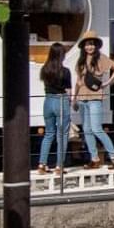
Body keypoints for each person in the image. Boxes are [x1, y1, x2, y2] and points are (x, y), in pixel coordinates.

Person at [74, 35, 114, 169]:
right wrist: (74, 98)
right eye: (87, 44)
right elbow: (78, 81)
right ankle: (94, 159)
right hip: (82, 98)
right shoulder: (80, 60)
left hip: (95, 97)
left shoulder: (101, 57)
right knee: (87, 130)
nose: (90, 47)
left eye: (92, 44)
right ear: (83, 46)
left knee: (96, 129)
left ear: (96, 45)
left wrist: (107, 82)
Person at [37, 43, 72, 176]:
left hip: (48, 101)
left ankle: (42, 164)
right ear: (61, 55)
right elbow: (68, 91)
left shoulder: (44, 69)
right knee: (62, 135)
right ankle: (59, 166)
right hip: (60, 100)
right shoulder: (65, 71)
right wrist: (71, 103)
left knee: (48, 133)